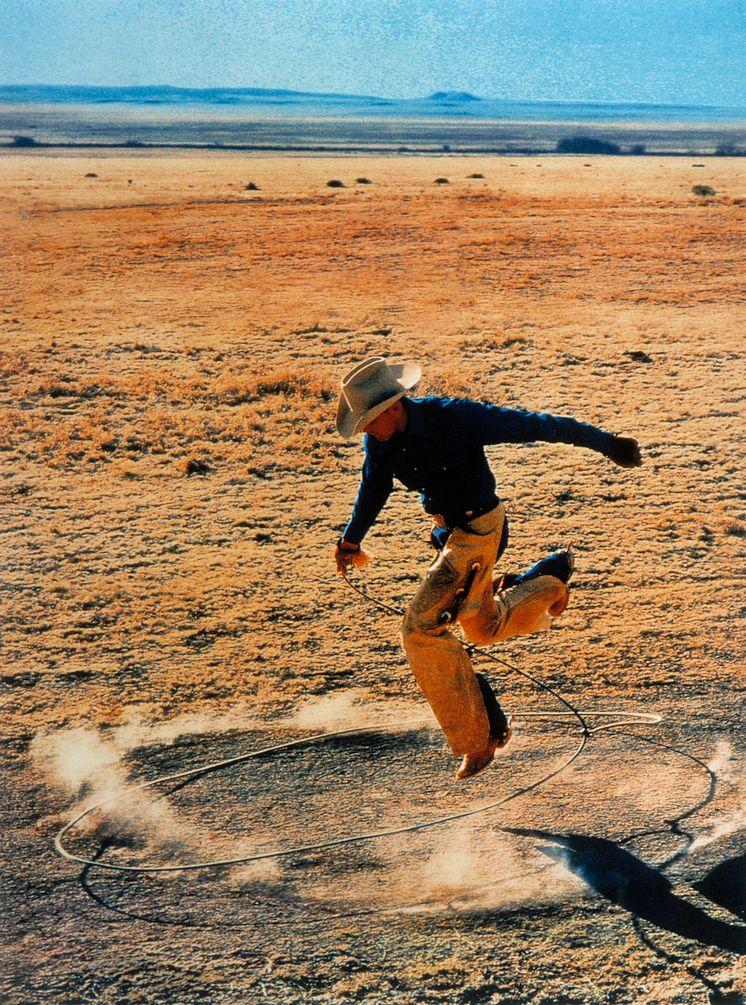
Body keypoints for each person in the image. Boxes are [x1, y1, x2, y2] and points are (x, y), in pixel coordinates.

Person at [333, 357, 642, 781]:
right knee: (483, 627)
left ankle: (480, 739)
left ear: (394, 407)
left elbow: (537, 423)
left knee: (420, 629)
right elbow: (374, 486)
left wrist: (608, 444)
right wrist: (351, 540)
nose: (365, 430)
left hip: (480, 531)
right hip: (450, 538)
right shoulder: (380, 443)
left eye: (369, 420)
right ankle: (550, 579)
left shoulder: (456, 417)